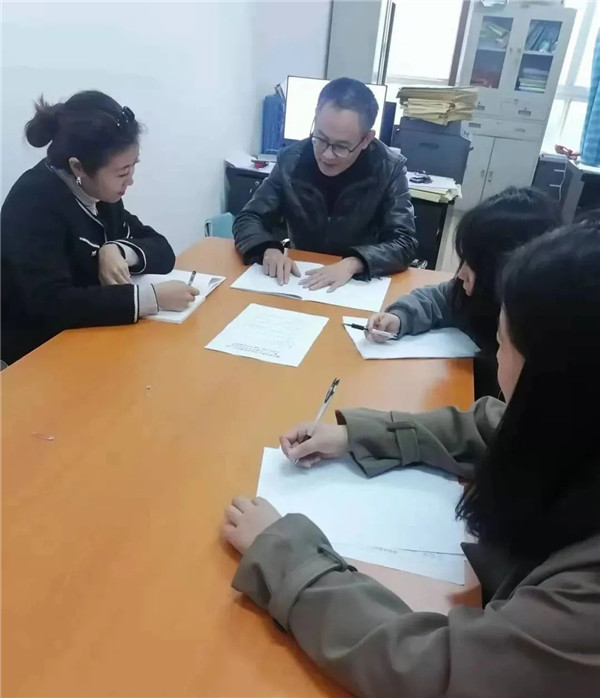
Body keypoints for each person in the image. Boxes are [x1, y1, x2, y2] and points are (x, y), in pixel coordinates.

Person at [222, 221, 600, 698]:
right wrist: (355, 435)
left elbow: (432, 669)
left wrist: (285, 556)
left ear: (556, 379)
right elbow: (490, 427)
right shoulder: (576, 424)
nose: (497, 351)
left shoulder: (588, 598)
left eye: (504, 341)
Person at [1, 91, 198, 364]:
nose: (130, 181)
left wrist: (117, 249)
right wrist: (150, 298)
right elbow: (51, 305)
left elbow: (162, 250)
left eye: (133, 167)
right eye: (122, 172)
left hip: (92, 337)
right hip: (36, 354)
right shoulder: (33, 202)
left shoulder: (100, 195)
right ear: (78, 167)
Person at [367, 186, 563, 397]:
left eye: (473, 264)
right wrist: (399, 317)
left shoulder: (531, 342)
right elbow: (440, 298)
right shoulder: (477, 296)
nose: (460, 274)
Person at [233, 77, 416, 290]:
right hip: (298, 279)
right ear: (315, 118)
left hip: (357, 284)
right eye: (320, 138)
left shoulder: (389, 169)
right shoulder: (291, 161)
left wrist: (354, 263)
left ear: (366, 139)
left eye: (341, 147)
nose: (327, 155)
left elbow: (405, 243)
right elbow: (249, 217)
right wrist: (267, 249)